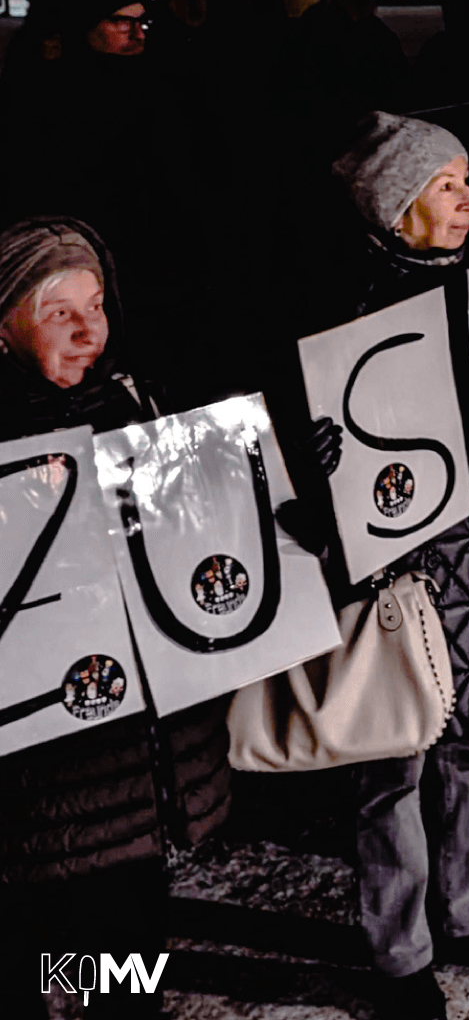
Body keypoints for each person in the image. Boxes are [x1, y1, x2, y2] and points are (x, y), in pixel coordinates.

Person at [322, 113, 469, 1020]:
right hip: (401, 566)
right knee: (395, 759)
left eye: (468, 182)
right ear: (397, 206)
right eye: (446, 187)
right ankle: (399, 952)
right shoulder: (351, 310)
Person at [0, 219, 231, 1017]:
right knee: (40, 959)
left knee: (131, 960)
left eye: (94, 303)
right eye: (56, 309)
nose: (86, 327)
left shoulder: (136, 401)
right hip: (40, 782)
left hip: (135, 765)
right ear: (2, 324)